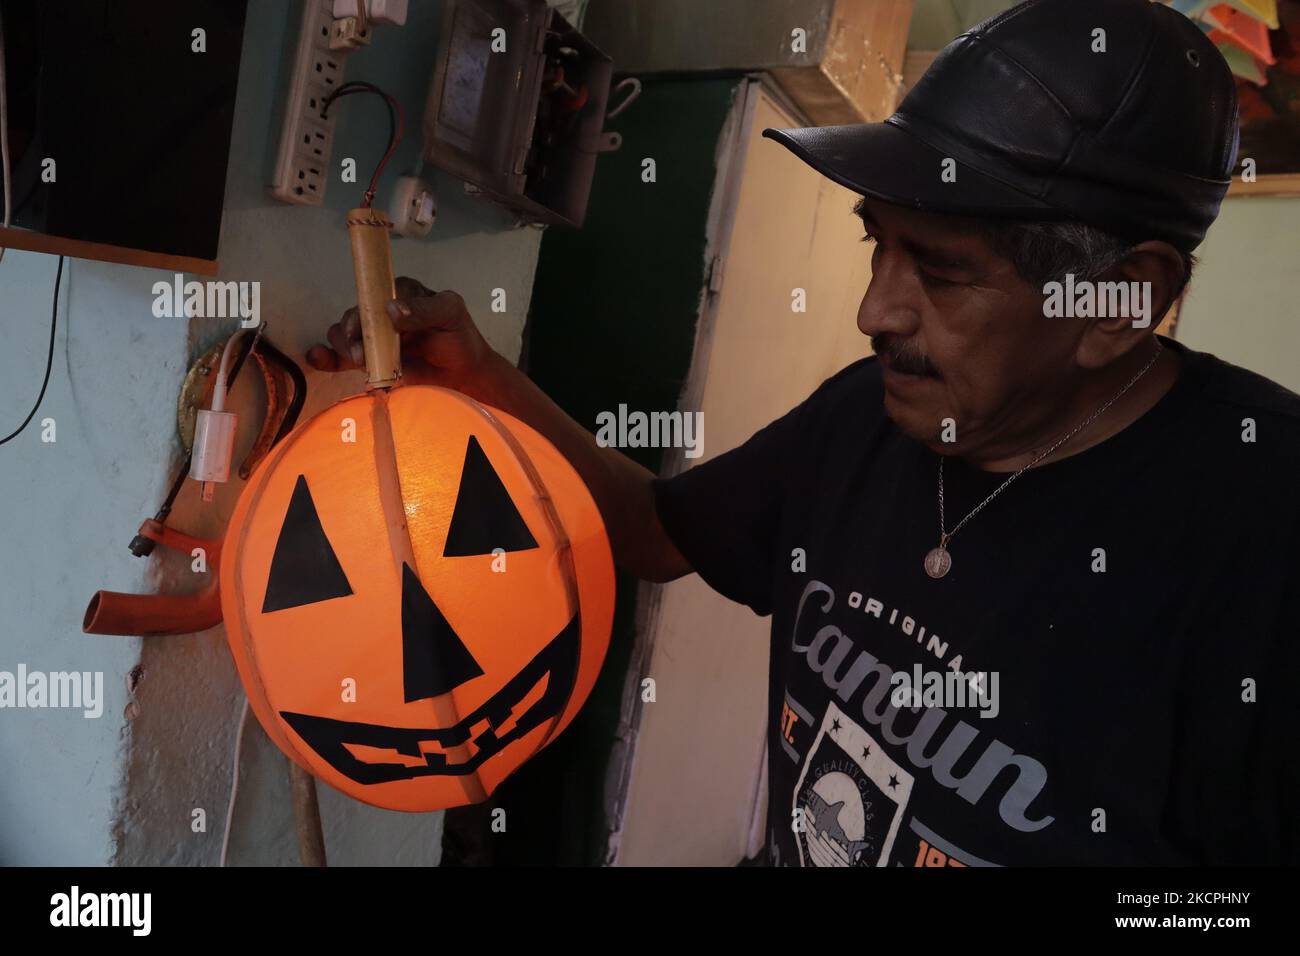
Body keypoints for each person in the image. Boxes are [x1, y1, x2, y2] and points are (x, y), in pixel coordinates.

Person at [308, 0, 1299, 865]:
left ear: (1120, 300)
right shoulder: (864, 416)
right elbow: (654, 531)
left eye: (941, 269)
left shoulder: (1257, 539)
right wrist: (481, 377)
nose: (875, 312)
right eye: (879, 244)